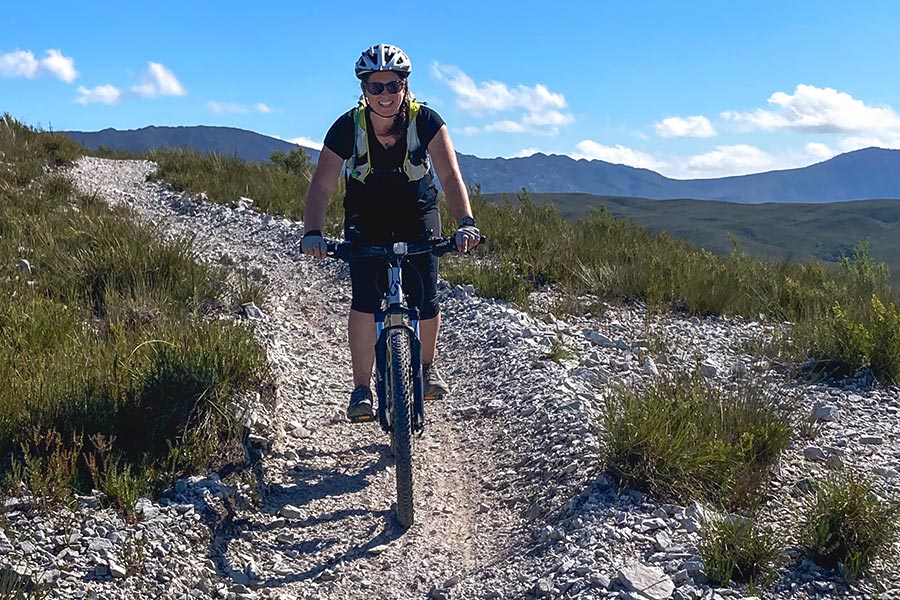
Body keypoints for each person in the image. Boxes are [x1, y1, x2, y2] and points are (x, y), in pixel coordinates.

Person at [301, 43, 480, 423]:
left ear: (405, 86)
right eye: (375, 86)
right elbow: (322, 184)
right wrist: (313, 231)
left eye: (393, 85)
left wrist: (465, 221)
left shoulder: (427, 121)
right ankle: (362, 389)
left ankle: (427, 368)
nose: (385, 94)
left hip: (418, 211)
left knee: (427, 294)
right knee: (365, 300)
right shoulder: (347, 127)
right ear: (363, 90)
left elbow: (450, 176)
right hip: (367, 216)